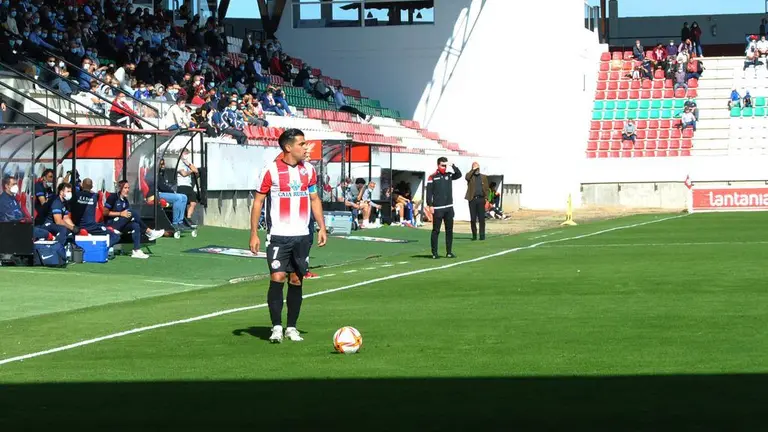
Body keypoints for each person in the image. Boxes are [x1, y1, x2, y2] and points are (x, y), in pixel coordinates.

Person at [249, 128, 328, 343]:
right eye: (302, 144)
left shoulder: (309, 170)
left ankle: (291, 327)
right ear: (288, 147)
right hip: (278, 236)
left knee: (295, 279)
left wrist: (322, 226)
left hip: (302, 235)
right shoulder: (270, 171)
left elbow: (314, 199)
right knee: (277, 277)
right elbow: (258, 202)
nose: (306, 148)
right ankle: (276, 327)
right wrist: (254, 233)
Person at [104, 180, 165, 259]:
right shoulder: (113, 197)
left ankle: (136, 250)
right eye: (125, 188)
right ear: (120, 188)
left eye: (128, 188)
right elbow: (105, 212)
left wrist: (127, 217)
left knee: (135, 225)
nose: (127, 190)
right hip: (111, 224)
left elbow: (127, 216)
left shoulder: (125, 201)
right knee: (132, 212)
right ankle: (149, 232)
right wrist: (120, 214)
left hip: (120, 225)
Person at [426, 157, 461, 259]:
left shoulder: (449, 175)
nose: (444, 168)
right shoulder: (432, 177)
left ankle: (449, 252)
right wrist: (430, 205)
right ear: (438, 165)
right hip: (438, 208)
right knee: (436, 231)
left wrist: (452, 165)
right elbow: (429, 193)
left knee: (449, 230)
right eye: (442, 165)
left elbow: (459, 174)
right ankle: (434, 253)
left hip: (449, 208)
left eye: (445, 166)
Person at [0, 176, 50, 241]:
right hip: (11, 229)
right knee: (45, 233)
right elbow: (11, 217)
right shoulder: (3, 200)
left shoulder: (13, 198)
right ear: (6, 186)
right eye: (13, 184)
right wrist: (24, 220)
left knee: (43, 229)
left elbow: (20, 212)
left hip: (19, 226)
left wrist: (26, 219)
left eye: (16, 184)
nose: (16, 186)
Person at [464, 162, 489, 241]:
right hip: (472, 199)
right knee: (473, 219)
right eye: (475, 168)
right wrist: (473, 170)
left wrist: (487, 199)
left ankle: (482, 235)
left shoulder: (483, 177)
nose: (477, 169)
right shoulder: (470, 177)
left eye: (477, 168)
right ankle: (474, 235)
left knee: (482, 218)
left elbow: (486, 189)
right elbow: (467, 177)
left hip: (481, 199)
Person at [176, 149, 199, 227]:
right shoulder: (178, 163)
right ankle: (182, 219)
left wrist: (188, 164)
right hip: (181, 185)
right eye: (185, 153)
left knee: (193, 202)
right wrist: (191, 171)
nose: (186, 155)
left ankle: (188, 218)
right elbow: (183, 173)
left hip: (189, 186)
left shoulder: (188, 163)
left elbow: (196, 170)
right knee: (183, 203)